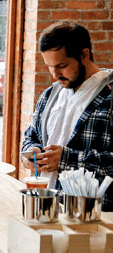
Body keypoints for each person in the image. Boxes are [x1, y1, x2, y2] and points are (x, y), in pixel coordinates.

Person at [21, 21, 113, 209]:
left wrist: (67, 160)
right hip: (47, 208)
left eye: (62, 65)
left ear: (84, 55)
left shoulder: (109, 96)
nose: (55, 75)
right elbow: (31, 136)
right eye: (49, 66)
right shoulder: (50, 95)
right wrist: (31, 153)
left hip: (96, 219)